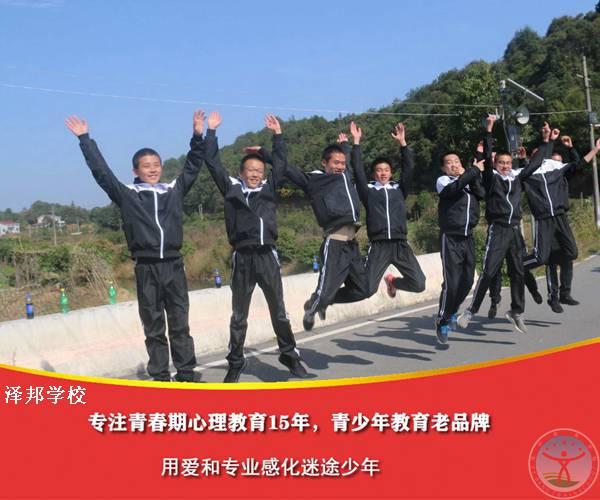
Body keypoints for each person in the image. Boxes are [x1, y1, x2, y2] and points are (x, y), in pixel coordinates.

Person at [65, 111, 206, 382]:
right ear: (135, 171)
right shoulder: (128, 195)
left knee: (180, 323)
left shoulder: (173, 191)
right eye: (146, 166)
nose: (152, 169)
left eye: (156, 165)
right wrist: (85, 140)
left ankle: (186, 373)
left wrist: (197, 136)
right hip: (146, 268)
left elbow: (192, 167)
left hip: (174, 265)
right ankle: (161, 377)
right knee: (154, 326)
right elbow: (102, 173)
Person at [204, 111, 308, 383]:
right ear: (241, 172)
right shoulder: (232, 189)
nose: (254, 174)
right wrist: (211, 132)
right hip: (242, 257)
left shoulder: (268, 189)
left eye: (259, 171)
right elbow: (213, 163)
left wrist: (278, 136)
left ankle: (289, 355)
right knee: (239, 315)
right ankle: (236, 362)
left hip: (267, 256)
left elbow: (281, 164)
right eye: (250, 170)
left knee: (279, 311)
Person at [457, 117, 556, 334]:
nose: (505, 166)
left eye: (508, 163)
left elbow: (536, 163)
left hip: (515, 231)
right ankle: (471, 310)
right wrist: (489, 130)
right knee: (489, 271)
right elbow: (487, 159)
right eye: (501, 162)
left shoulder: (517, 178)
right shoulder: (492, 178)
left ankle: (516, 311)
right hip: (498, 229)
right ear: (496, 164)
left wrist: (546, 141)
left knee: (518, 272)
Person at [332, 122, 426, 305]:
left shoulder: (399, 189)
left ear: (391, 173)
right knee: (367, 289)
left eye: (386, 170)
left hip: (400, 244)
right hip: (379, 246)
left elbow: (409, 168)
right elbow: (358, 170)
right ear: (374, 174)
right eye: (379, 171)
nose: (383, 173)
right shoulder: (368, 191)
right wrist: (356, 142)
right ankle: (327, 297)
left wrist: (403, 143)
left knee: (419, 284)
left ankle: (393, 282)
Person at [284, 134, 368, 331]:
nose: (340, 166)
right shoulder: (316, 180)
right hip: (335, 242)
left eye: (342, 163)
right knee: (326, 290)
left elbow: (346, 160)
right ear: (324, 163)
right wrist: (266, 153)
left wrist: (346, 143)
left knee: (363, 290)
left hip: (352, 244)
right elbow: (288, 170)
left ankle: (323, 301)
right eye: (335, 163)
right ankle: (312, 307)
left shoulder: (344, 177)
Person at [523, 134, 600, 311]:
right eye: (537, 155)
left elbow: (579, 164)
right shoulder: (528, 174)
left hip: (560, 217)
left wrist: (595, 149)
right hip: (544, 220)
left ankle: (565, 293)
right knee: (548, 259)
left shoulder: (557, 170)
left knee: (570, 253)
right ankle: (553, 296)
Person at [434, 151, 485, 344]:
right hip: (450, 238)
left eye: (457, 161)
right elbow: (453, 189)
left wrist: (473, 174)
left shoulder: (468, 180)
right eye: (449, 162)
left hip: (468, 237)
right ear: (443, 167)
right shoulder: (443, 181)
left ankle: (452, 311)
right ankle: (442, 320)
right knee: (451, 283)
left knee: (467, 281)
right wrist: (472, 171)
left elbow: (481, 194)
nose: (454, 164)